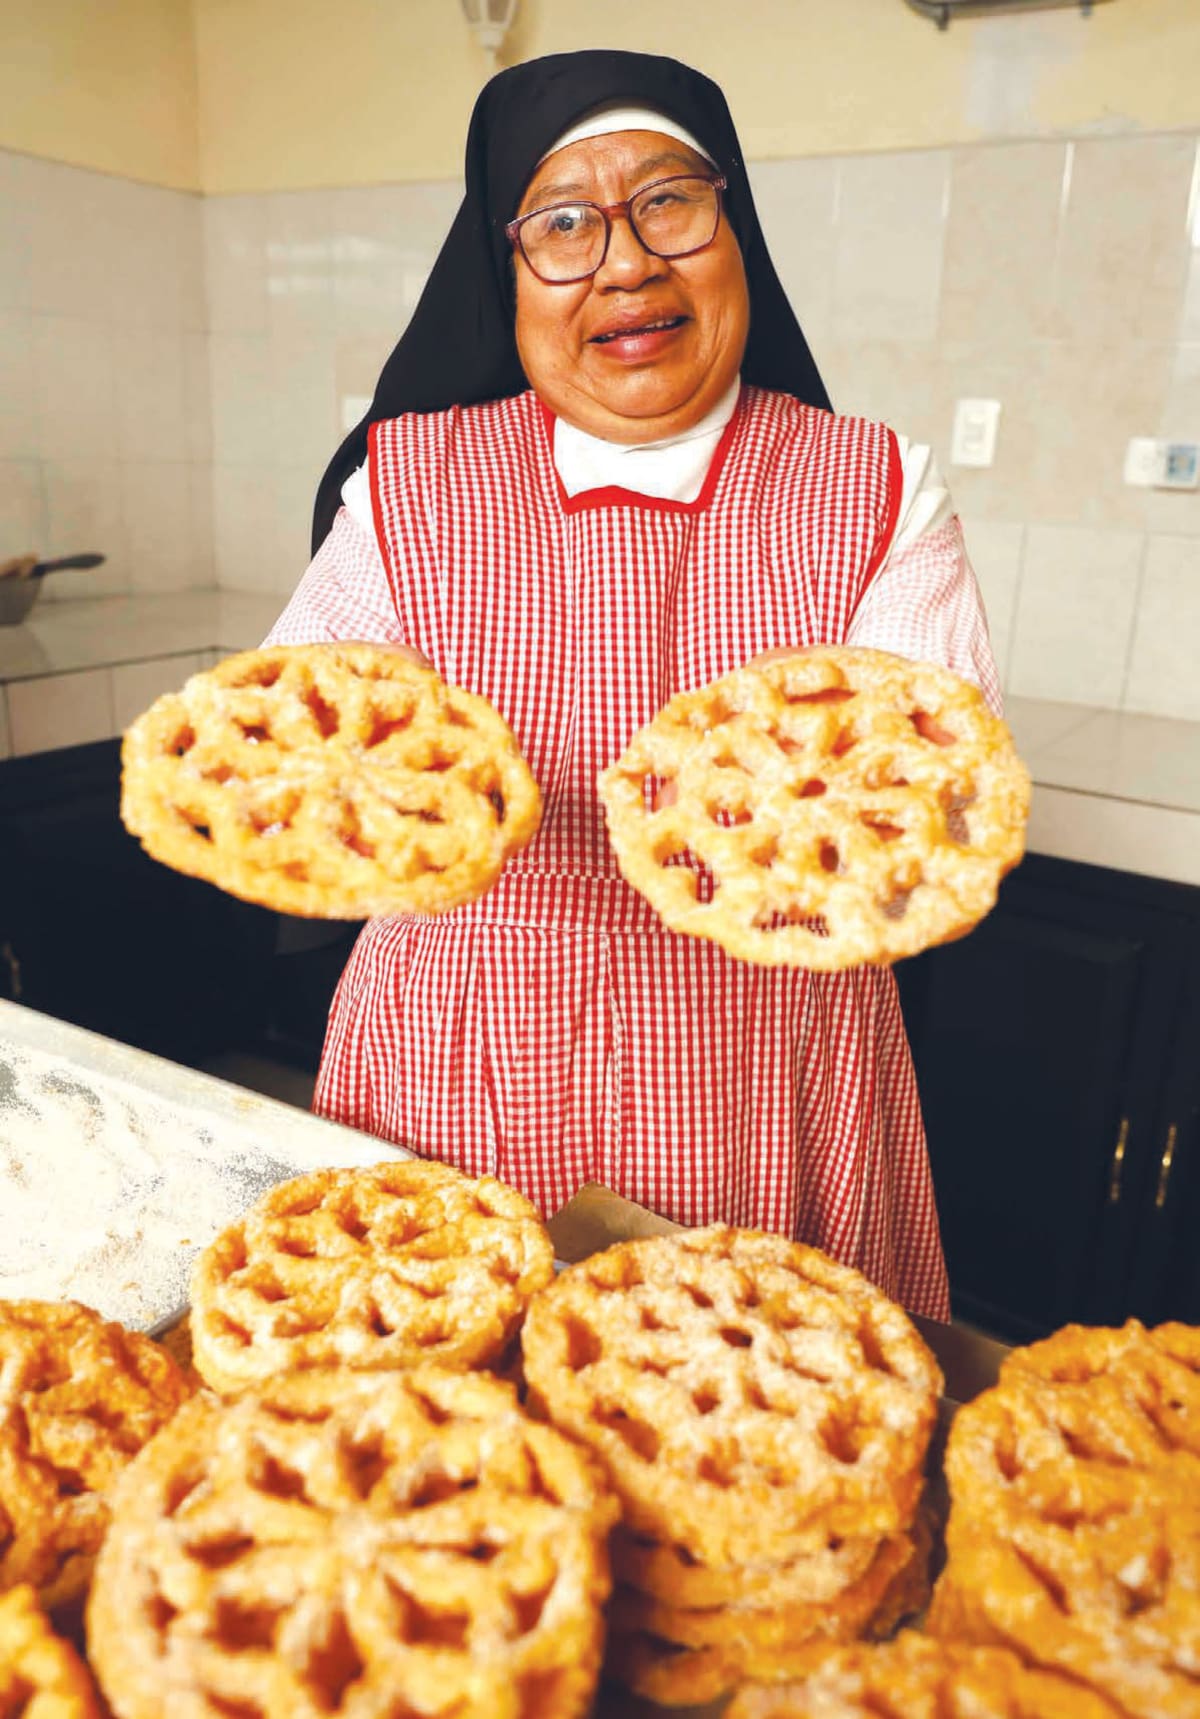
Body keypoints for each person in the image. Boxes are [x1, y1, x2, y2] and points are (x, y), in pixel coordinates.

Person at [266, 50, 1001, 1321]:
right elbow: (307, 767)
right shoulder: (405, 490)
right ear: (505, 272)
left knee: (760, 1430)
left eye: (668, 201)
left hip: (772, 1062)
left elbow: (924, 811)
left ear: (735, 230)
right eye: (561, 224)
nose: (623, 263)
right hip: (454, 1050)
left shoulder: (880, 488)